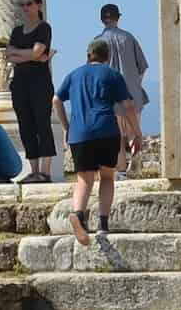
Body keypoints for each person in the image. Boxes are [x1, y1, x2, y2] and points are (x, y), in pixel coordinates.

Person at [54, 39, 142, 246]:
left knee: (84, 179)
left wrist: (66, 126)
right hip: (106, 130)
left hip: (79, 133)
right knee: (107, 177)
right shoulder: (112, 74)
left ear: (88, 55)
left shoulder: (74, 75)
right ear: (108, 56)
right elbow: (127, 105)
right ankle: (103, 222)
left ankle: (79, 215)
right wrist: (136, 133)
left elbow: (56, 100)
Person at [3, 0, 57, 183]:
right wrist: (31, 55)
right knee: (25, 126)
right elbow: (9, 54)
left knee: (42, 124)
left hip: (40, 84)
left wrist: (22, 54)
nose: (25, 7)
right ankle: (33, 171)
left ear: (38, 5)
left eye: (29, 4)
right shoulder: (17, 31)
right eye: (23, 4)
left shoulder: (44, 28)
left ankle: (46, 171)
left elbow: (37, 52)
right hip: (20, 84)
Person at [94, 3, 151, 114]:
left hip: (107, 101)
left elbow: (92, 72)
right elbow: (142, 67)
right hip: (132, 99)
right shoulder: (129, 38)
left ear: (102, 20)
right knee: (133, 131)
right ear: (118, 18)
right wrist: (135, 85)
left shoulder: (96, 42)